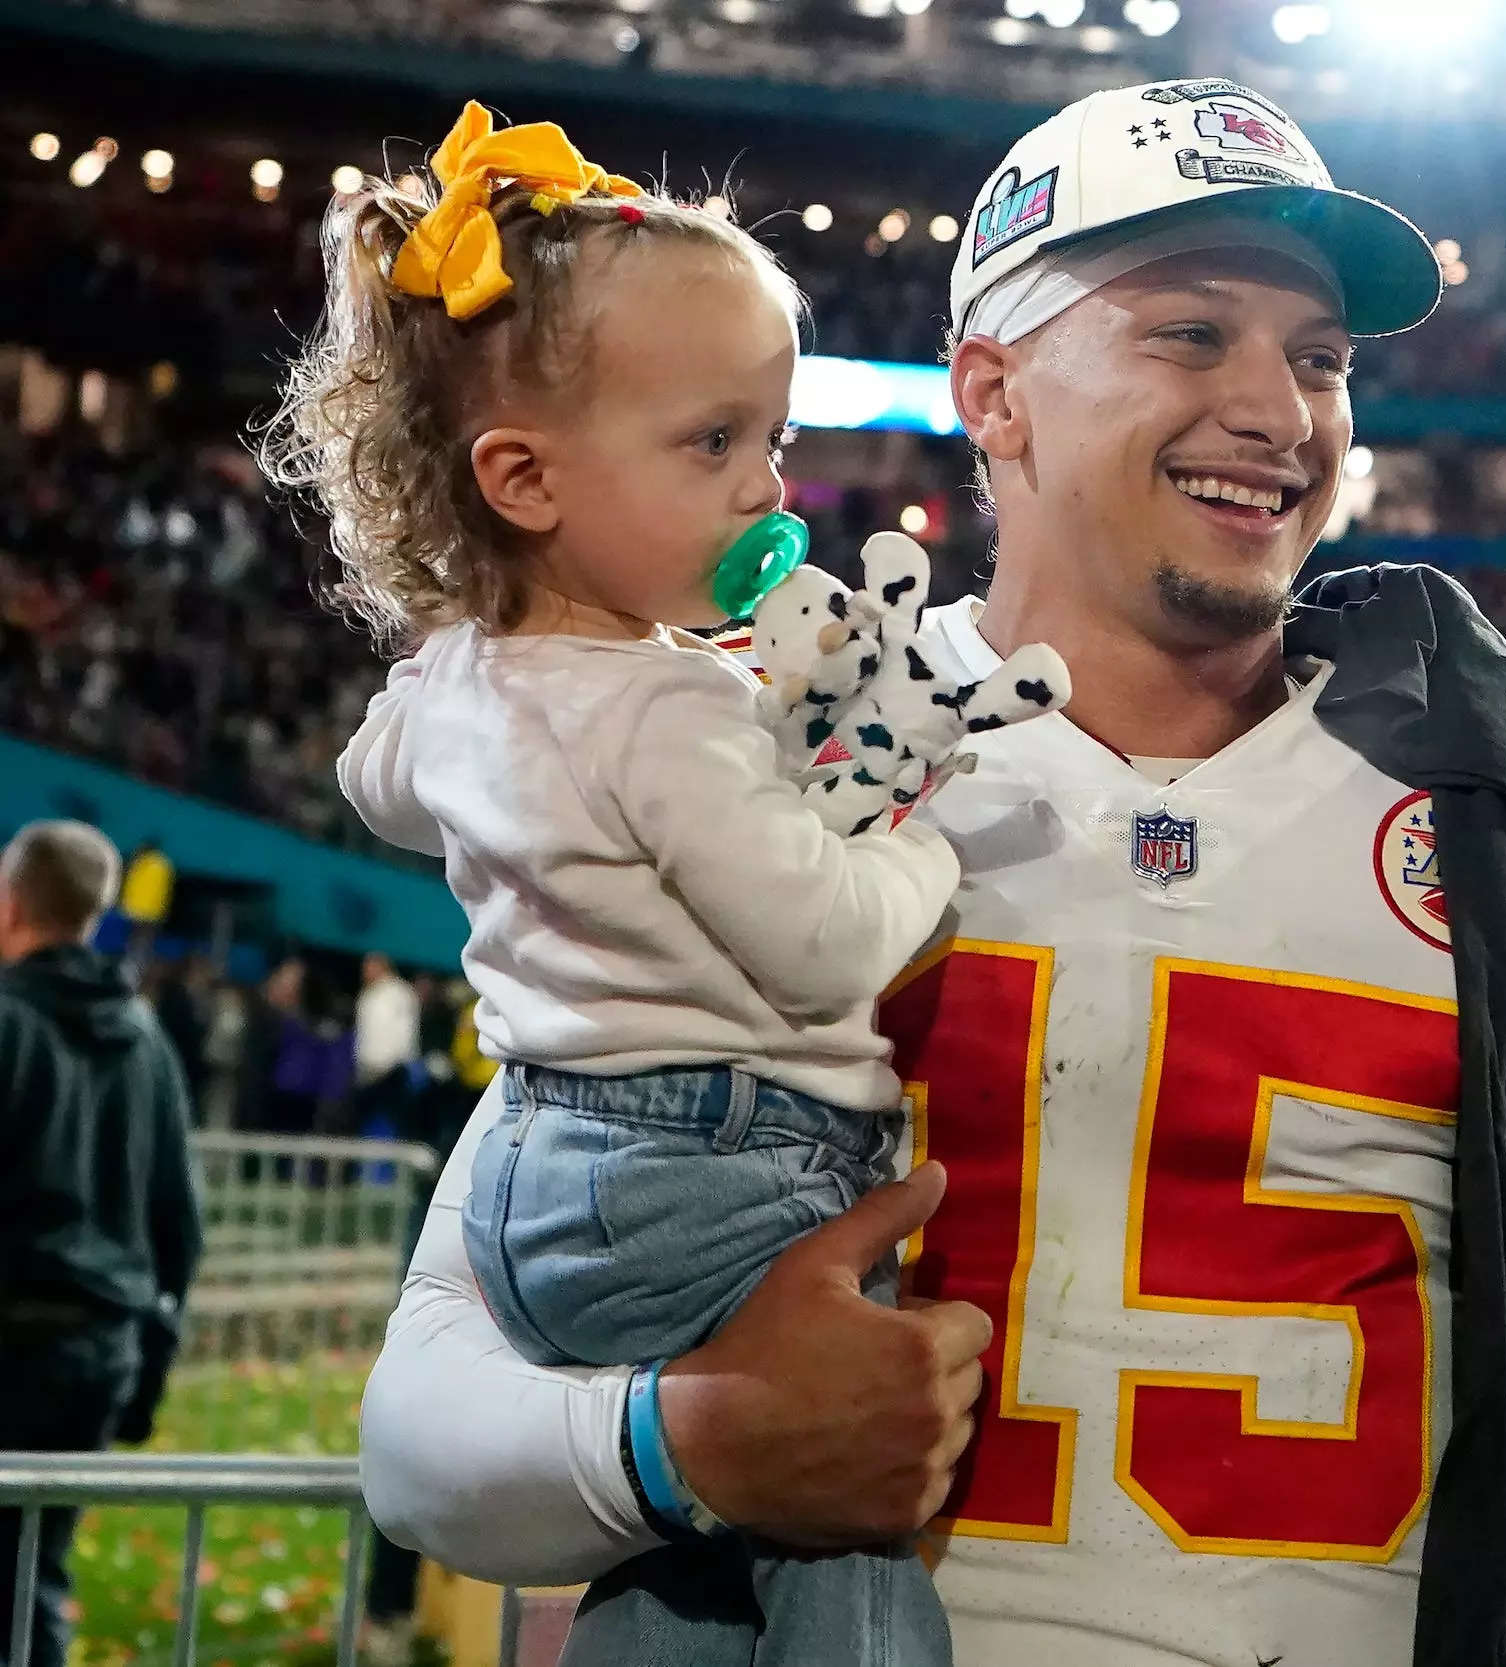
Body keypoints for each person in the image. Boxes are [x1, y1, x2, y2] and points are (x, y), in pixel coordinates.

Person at [355, 78, 1506, 1667]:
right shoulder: (751, 750)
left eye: (1320, 358)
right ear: (993, 389)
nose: (1280, 412)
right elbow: (421, 1437)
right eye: (1190, 333)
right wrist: (694, 1444)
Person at [283, 101, 1066, 1666]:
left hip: (542, 1172)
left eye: (768, 440)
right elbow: (822, 938)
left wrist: (509, 758)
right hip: (718, 1164)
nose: (764, 490)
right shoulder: (669, 706)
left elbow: (377, 787)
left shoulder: (462, 680)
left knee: (696, 1574)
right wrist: (918, 830)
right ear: (524, 476)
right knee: (844, 1518)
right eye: (714, 445)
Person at [0, 820, 202, 1667]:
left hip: (15, 1339)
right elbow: (177, 1225)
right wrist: (147, 1366)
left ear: (12, 902)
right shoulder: (147, 1040)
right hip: (96, 1353)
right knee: (31, 1578)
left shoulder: (8, 1020)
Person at [352, 951, 421, 1136]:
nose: (365, 972)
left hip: (392, 1071)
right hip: (368, 1071)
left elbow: (404, 1032)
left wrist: (398, 1063)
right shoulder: (368, 995)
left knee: (389, 1124)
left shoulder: (399, 993)